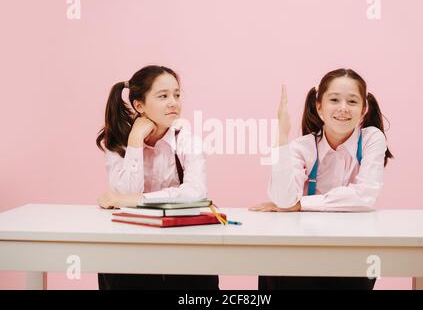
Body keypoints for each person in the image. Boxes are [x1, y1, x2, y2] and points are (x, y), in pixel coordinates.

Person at [250, 68, 393, 290]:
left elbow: (365, 195)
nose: (343, 108)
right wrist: (282, 137)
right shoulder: (302, 147)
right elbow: (283, 200)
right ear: (319, 107)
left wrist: (301, 204)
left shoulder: (371, 139)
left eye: (352, 101)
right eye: (334, 99)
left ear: (364, 109)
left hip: (353, 251)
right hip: (302, 249)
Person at [95, 65, 218, 290]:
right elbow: (122, 194)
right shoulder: (118, 143)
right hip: (130, 245)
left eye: (177, 95)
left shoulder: (187, 139)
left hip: (182, 245)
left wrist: (138, 199)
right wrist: (135, 141)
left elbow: (195, 194)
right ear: (139, 105)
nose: (173, 102)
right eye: (163, 96)